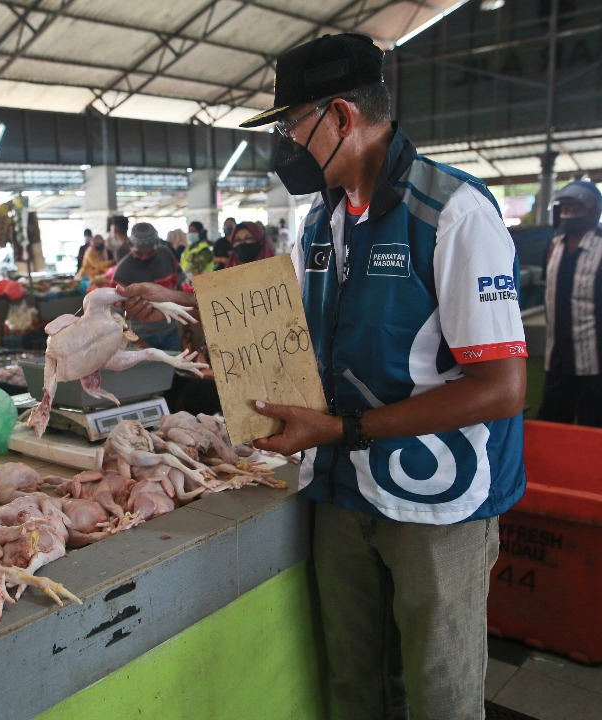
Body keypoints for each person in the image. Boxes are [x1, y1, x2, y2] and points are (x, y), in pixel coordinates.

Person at [118, 33, 526, 720]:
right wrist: (191, 308)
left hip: (437, 503)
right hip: (342, 489)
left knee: (440, 695)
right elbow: (292, 326)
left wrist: (343, 428)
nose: (285, 144)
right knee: (355, 687)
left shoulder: (452, 213)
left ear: (340, 116)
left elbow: (501, 389)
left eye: (291, 126)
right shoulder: (321, 220)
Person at [538, 180, 602, 427]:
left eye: (576, 209)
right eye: (565, 209)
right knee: (553, 422)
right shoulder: (553, 245)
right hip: (557, 355)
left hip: (594, 357)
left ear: (592, 212)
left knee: (592, 427)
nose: (569, 214)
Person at [113, 222, 182, 352]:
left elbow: (181, 285)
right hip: (142, 335)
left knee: (175, 364)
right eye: (139, 253)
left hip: (171, 330)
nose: (144, 257)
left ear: (157, 245)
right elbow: (114, 314)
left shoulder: (167, 256)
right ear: (131, 246)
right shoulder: (123, 270)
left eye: (149, 253)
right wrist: (135, 340)